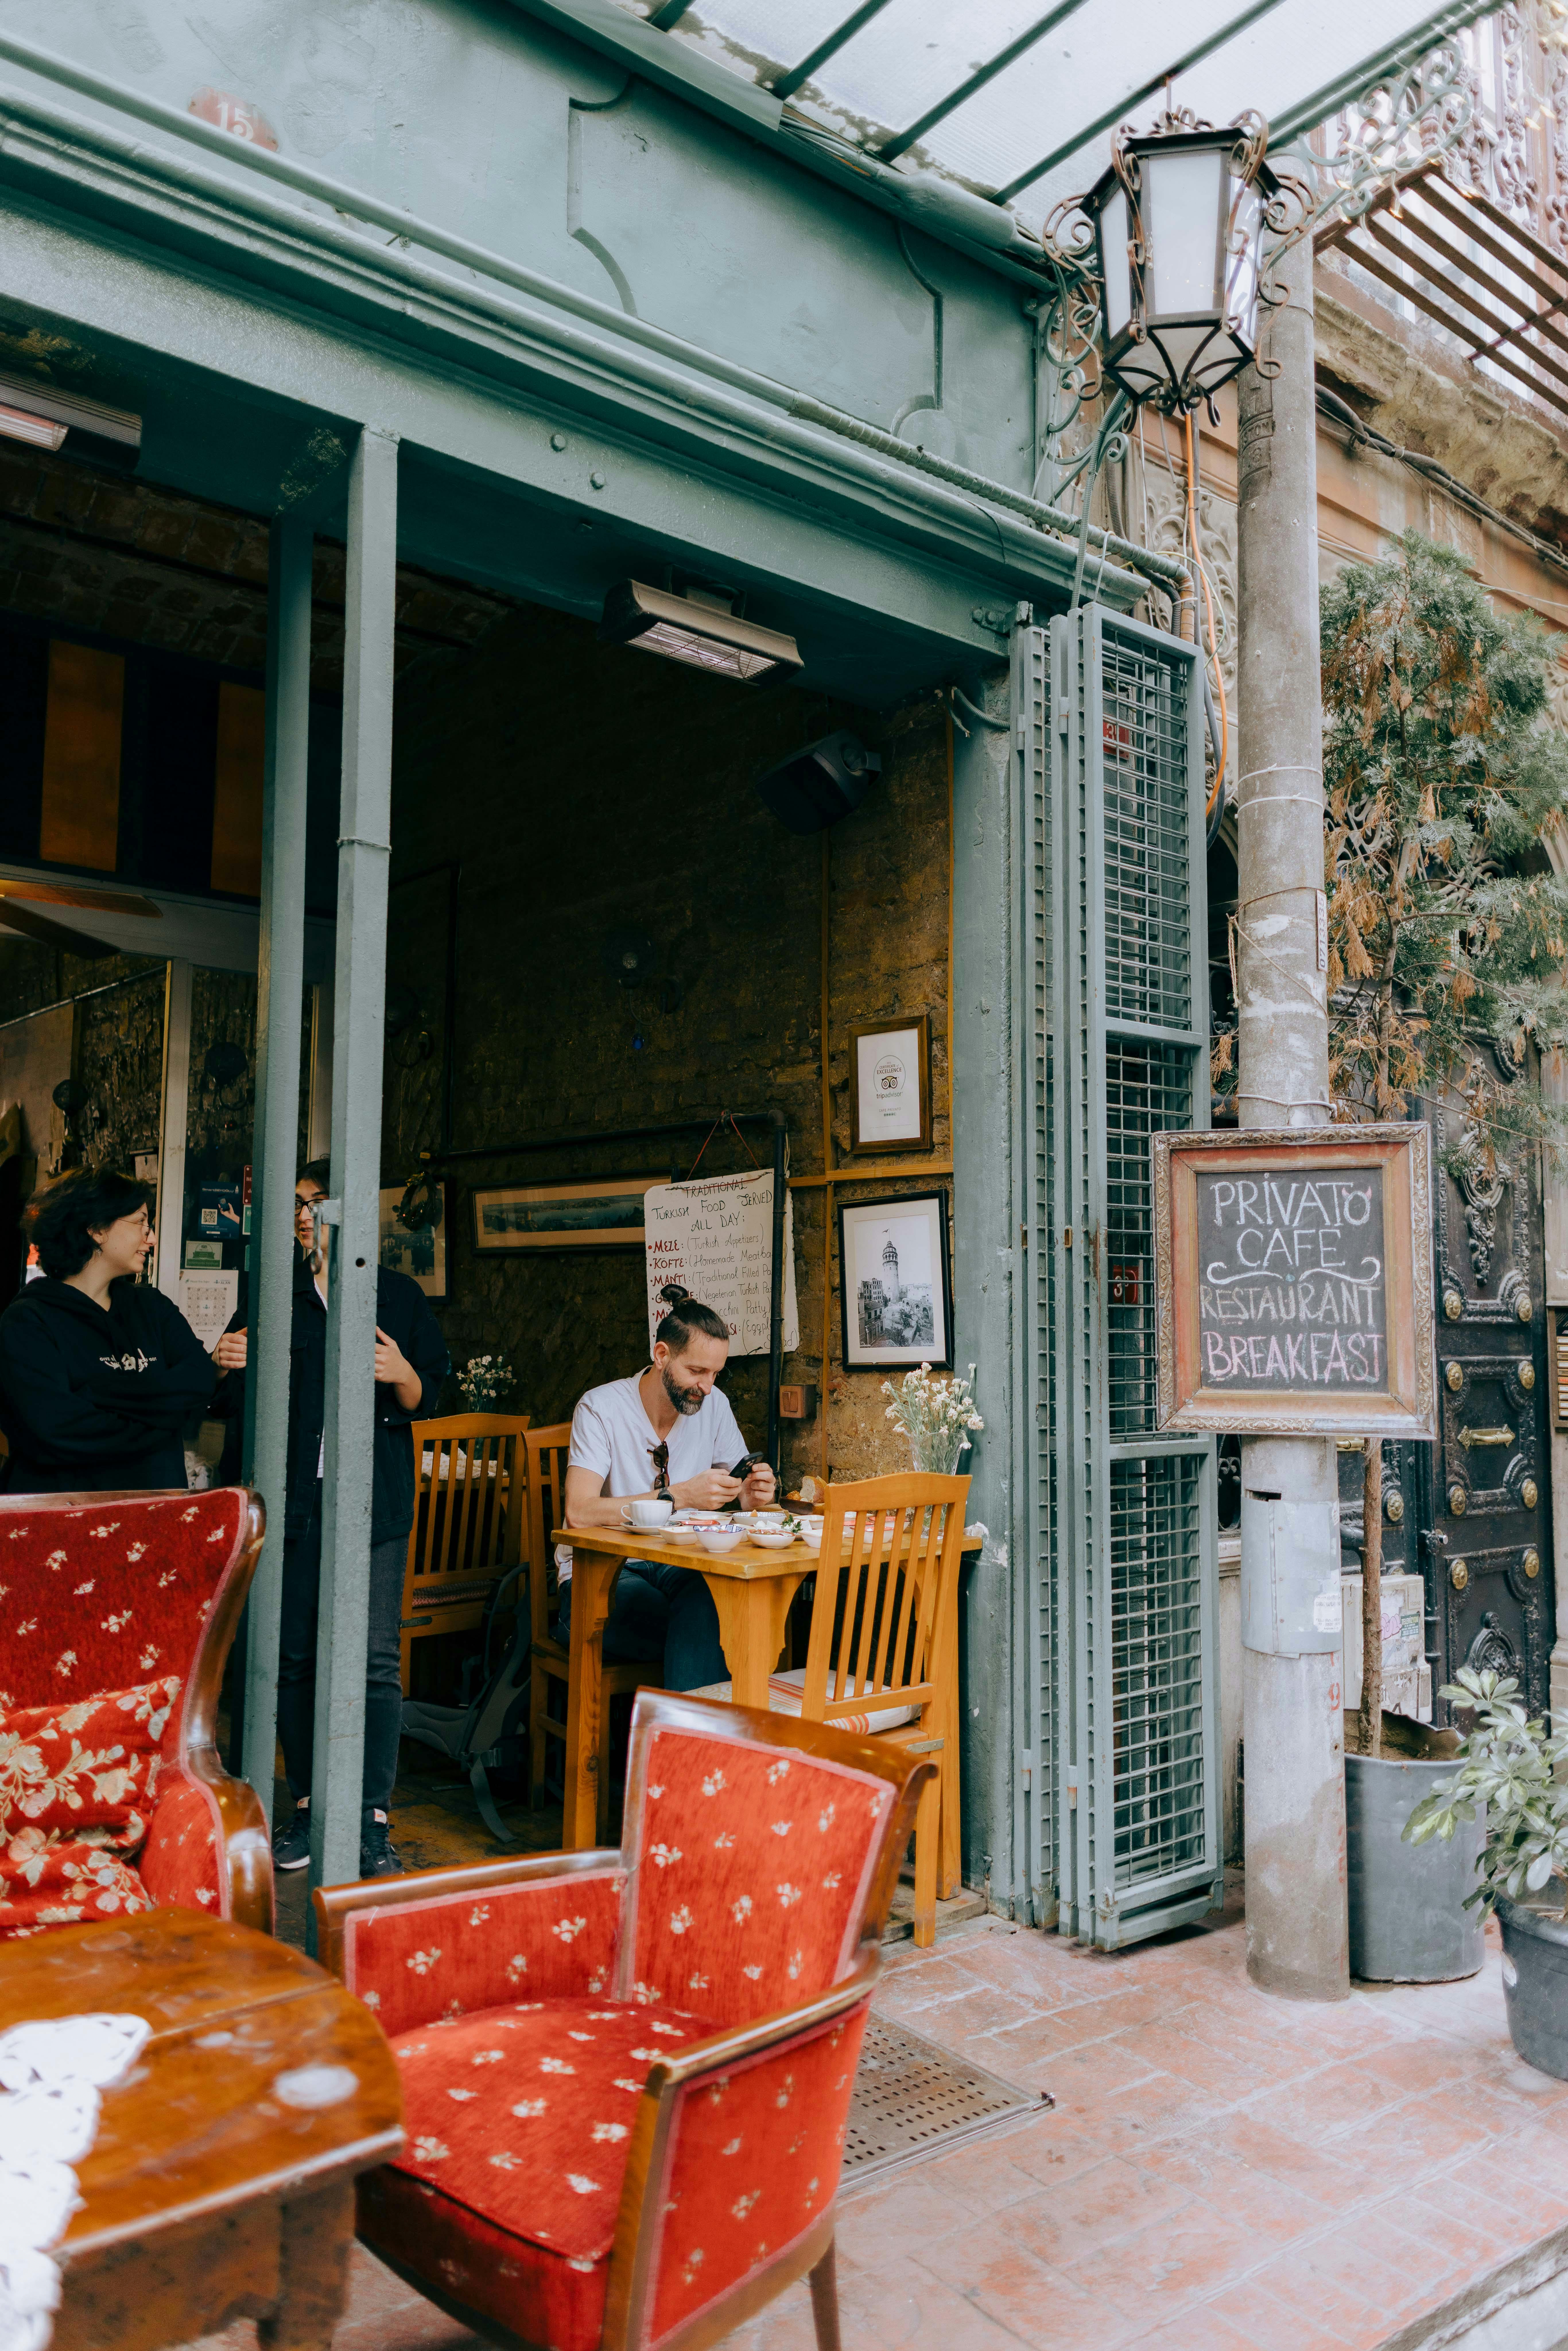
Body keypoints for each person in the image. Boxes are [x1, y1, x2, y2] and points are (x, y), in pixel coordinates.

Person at [214, 1159, 449, 1878]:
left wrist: (404, 1375)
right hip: (290, 1503)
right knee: (294, 1657)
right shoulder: (271, 1297)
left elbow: (430, 1393)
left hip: (373, 1502)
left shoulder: (397, 1297)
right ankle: (311, 1807)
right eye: (298, 1204)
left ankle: (371, 1818)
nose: (306, 1213)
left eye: (319, 1202)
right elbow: (229, 1403)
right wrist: (224, 1365)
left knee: (375, 1659)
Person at [561, 1284, 776, 1689]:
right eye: (697, 1371)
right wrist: (677, 1497)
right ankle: (694, 1744)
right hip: (603, 1573)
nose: (708, 1387)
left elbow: (737, 1486)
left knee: (719, 1607)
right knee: (707, 1626)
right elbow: (579, 1511)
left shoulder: (714, 1405)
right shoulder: (601, 1408)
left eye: (716, 1374)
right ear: (662, 1356)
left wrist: (747, 1497)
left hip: (680, 1565)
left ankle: (685, 1744)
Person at [0, 1168, 215, 1493]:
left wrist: (94, 1394)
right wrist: (168, 1415)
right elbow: (56, 1432)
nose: (152, 1237)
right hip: (69, 1525)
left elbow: (201, 1378)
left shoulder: (153, 1307)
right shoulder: (28, 1321)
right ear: (98, 1229)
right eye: (141, 1222)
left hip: (155, 1516)